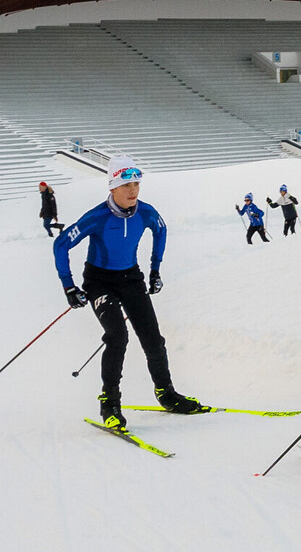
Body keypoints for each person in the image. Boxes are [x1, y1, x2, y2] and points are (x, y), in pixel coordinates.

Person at [55, 156, 205, 429]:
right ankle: (109, 403)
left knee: (153, 339)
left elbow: (161, 230)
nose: (133, 190)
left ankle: (167, 394)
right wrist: (69, 286)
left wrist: (155, 270)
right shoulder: (97, 217)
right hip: (99, 282)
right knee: (117, 336)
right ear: (112, 188)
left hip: (131, 278)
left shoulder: (145, 212)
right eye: (126, 185)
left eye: (136, 183)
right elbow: (61, 244)